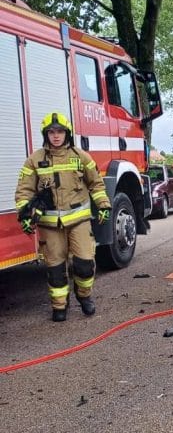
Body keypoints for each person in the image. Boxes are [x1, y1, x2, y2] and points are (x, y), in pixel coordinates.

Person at [15, 111, 111, 321]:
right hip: (50, 226)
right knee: (55, 268)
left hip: (79, 221)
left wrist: (103, 205)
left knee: (85, 264)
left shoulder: (81, 157)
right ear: (46, 134)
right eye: (51, 132)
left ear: (67, 133)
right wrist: (25, 215)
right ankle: (59, 306)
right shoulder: (34, 160)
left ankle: (84, 297)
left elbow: (96, 184)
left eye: (60, 131)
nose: (56, 135)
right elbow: (24, 191)